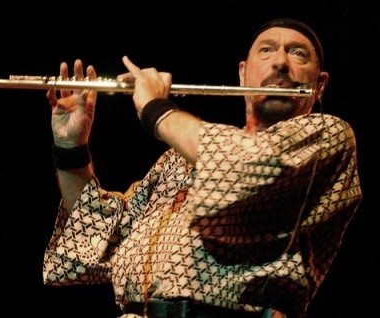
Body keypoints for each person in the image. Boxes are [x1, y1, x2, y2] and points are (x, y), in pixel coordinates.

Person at [43, 18, 362, 318]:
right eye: (267, 50)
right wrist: (71, 149)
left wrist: (154, 107)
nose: (280, 62)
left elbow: (246, 166)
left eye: (297, 53)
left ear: (319, 85)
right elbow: (102, 236)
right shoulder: (177, 160)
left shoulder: (328, 140)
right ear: (242, 73)